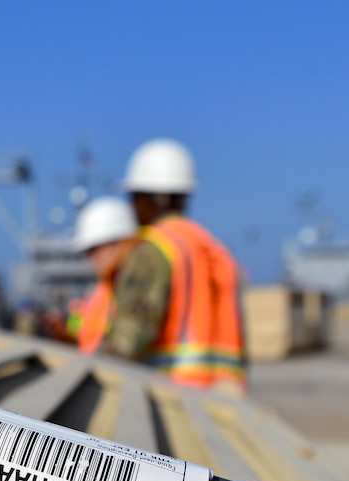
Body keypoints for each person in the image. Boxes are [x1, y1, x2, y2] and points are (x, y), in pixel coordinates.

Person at [100, 139, 246, 390]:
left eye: (135, 197)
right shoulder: (215, 250)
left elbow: (128, 338)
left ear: (157, 198)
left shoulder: (154, 249)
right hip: (224, 404)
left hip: (172, 399)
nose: (132, 207)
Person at [66, 196, 138, 353]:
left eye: (94, 249)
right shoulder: (103, 290)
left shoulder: (138, 286)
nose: (90, 258)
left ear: (119, 241)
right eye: (87, 252)